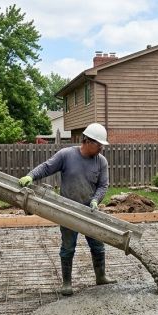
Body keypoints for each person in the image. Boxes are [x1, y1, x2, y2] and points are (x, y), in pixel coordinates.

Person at [18, 123, 116, 296]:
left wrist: (95, 200)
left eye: (102, 144)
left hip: (89, 211)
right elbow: (47, 167)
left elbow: (103, 185)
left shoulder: (101, 161)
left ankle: (101, 277)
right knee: (68, 247)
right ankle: (67, 283)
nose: (101, 147)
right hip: (68, 210)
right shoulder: (66, 155)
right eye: (98, 144)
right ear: (87, 141)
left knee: (98, 246)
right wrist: (31, 175)